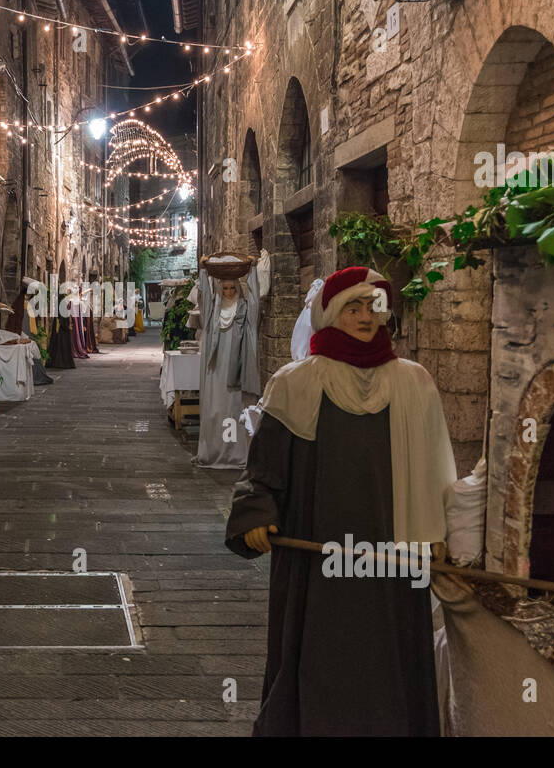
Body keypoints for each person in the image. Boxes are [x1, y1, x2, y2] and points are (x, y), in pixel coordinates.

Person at [224, 266, 457, 735]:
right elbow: (265, 468)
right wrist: (256, 511)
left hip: (395, 557)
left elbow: (435, 469)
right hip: (317, 554)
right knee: (321, 652)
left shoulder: (416, 383)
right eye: (353, 307)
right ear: (331, 314)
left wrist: (437, 531)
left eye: (373, 307)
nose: (365, 317)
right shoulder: (296, 383)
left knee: (388, 656)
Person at [194, 252, 269, 469]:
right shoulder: (212, 313)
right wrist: (202, 270)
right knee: (216, 409)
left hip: (238, 370)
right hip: (216, 370)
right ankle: (216, 450)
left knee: (235, 410)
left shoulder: (246, 312)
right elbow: (204, 295)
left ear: (238, 289)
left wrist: (253, 270)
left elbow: (255, 298)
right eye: (224, 288)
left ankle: (236, 453)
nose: (228, 292)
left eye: (232, 288)